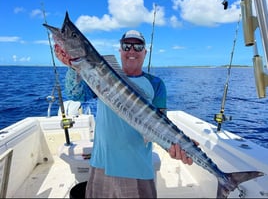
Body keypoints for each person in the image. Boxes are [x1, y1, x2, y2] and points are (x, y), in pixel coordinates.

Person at [55, 30, 194, 198]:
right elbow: (75, 94)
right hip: (101, 164)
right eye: (126, 45)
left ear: (145, 52)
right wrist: (73, 66)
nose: (132, 50)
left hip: (137, 169)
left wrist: (176, 146)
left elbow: (160, 124)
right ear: (120, 50)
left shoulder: (156, 83)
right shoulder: (100, 74)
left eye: (138, 46)